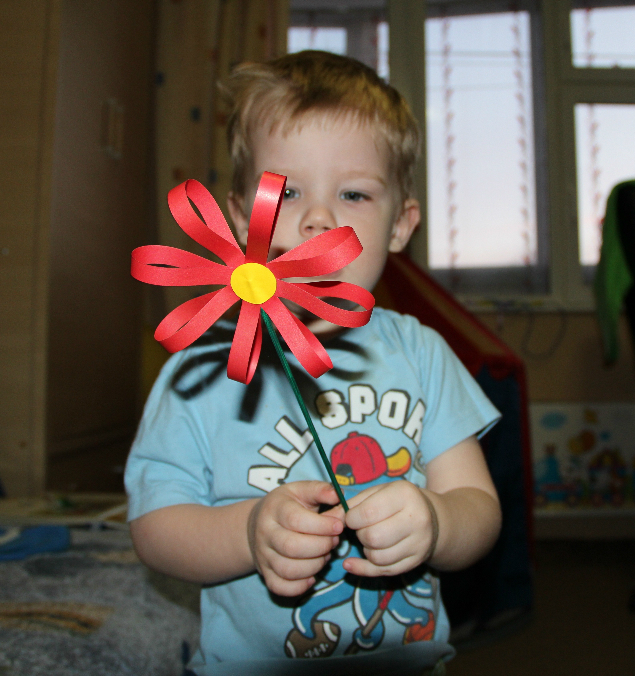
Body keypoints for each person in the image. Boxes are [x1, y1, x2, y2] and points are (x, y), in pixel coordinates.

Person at [125, 50, 502, 676]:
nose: (318, 218)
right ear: (240, 218)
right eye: (287, 191)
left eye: (353, 194)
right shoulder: (200, 370)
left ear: (401, 224)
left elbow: (479, 508)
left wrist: (437, 522)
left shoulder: (422, 354)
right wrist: (247, 532)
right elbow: (154, 527)